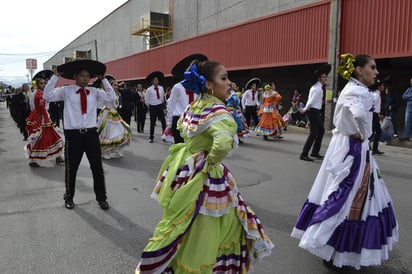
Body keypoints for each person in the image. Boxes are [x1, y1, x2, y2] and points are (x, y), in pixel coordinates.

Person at [135, 60, 273, 273]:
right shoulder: (218, 110)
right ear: (209, 84)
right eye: (224, 78)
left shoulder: (195, 105)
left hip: (185, 166)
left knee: (184, 221)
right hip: (205, 172)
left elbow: (181, 128)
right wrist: (211, 160)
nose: (229, 83)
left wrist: (198, 155)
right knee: (212, 224)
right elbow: (223, 142)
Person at [291, 53, 398, 270]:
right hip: (352, 148)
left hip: (347, 146)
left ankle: (335, 248)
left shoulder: (354, 89)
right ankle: (332, 248)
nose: (376, 72)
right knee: (345, 196)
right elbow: (358, 113)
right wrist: (364, 132)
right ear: (359, 70)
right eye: (373, 67)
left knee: (346, 194)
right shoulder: (358, 91)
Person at [44, 59, 116, 210]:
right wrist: (55, 77)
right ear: (75, 77)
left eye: (88, 76)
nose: (85, 78)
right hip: (73, 135)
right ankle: (69, 197)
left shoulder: (95, 92)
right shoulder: (66, 91)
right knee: (72, 168)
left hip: (91, 134)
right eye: (82, 75)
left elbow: (112, 98)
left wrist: (103, 80)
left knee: (97, 167)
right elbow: (48, 96)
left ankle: (101, 198)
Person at [25, 71, 64, 167]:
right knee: (42, 138)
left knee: (52, 137)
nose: (43, 85)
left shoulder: (42, 92)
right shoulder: (38, 94)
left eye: (44, 83)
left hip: (44, 116)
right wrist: (39, 116)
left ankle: (57, 157)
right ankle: (35, 159)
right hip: (40, 118)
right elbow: (34, 106)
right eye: (41, 83)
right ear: (37, 84)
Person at [167, 53, 207, 143]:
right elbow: (170, 107)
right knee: (181, 150)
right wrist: (169, 124)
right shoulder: (177, 87)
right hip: (179, 120)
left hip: (195, 120)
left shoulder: (200, 87)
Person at [299, 64, 330, 161]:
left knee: (321, 131)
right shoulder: (317, 89)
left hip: (315, 111)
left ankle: (315, 152)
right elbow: (311, 101)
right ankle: (304, 154)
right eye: (324, 77)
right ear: (319, 78)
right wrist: (305, 109)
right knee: (314, 133)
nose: (326, 78)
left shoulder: (317, 87)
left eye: (325, 76)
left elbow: (311, 100)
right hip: (313, 111)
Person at [95, 75, 131, 159]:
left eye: (117, 85)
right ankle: (105, 151)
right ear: (110, 86)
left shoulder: (117, 94)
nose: (116, 86)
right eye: (114, 85)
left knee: (120, 132)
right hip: (107, 115)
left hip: (115, 115)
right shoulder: (106, 94)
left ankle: (115, 148)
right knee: (108, 134)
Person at [145, 71, 166, 143]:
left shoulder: (161, 88)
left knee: (163, 121)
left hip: (160, 106)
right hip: (153, 107)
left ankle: (164, 136)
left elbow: (162, 97)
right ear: (152, 81)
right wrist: (150, 106)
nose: (156, 81)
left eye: (157, 80)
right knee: (152, 123)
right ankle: (151, 137)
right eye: (154, 80)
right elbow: (146, 100)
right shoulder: (149, 89)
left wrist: (162, 104)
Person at [369, 77, 388, 155]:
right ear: (379, 86)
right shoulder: (375, 95)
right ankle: (367, 145)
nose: (383, 87)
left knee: (377, 132)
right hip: (373, 114)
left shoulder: (377, 94)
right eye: (382, 85)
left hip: (375, 114)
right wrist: (376, 113)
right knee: (373, 132)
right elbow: (371, 105)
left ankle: (374, 148)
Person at [400, 77, 412, 141]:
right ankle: (406, 136)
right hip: (409, 108)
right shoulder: (409, 89)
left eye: (411, 81)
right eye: (410, 81)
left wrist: (409, 98)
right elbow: (403, 96)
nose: (411, 82)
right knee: (407, 122)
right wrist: (410, 96)